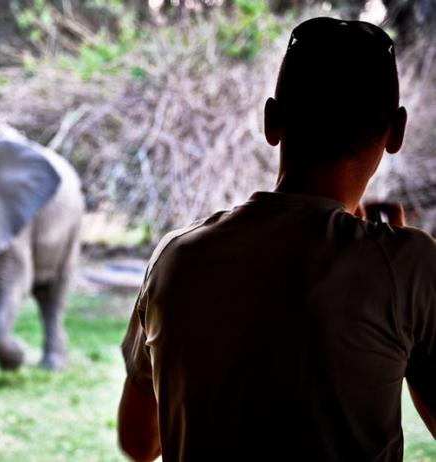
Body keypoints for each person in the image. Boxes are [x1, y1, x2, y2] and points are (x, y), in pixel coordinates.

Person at [117, 17, 436, 461]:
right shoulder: (409, 266)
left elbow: (138, 442)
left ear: (272, 122)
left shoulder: (177, 255)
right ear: (396, 132)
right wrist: (403, 265)